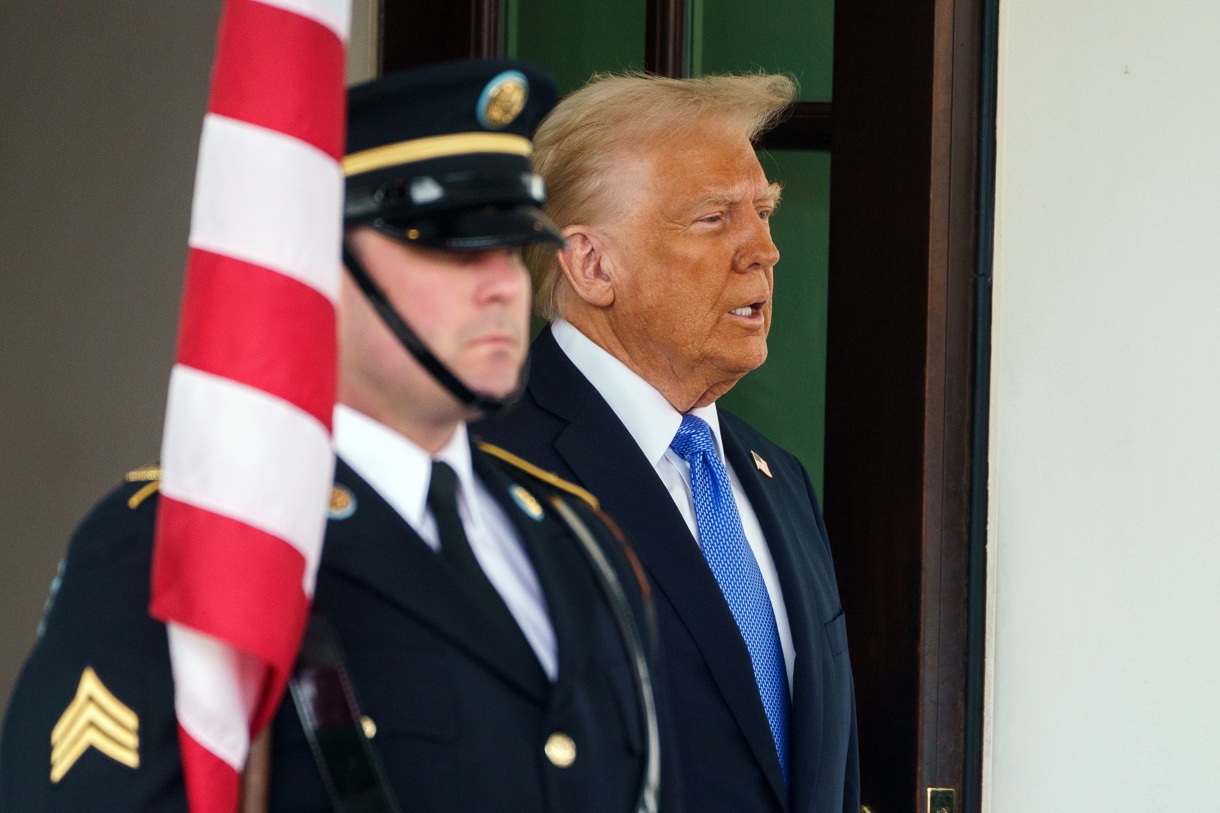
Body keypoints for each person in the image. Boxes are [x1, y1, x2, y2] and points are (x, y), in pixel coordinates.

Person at [0, 60, 673, 813]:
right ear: (312, 265)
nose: (503, 283)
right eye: (452, 246)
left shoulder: (581, 539)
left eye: (513, 244)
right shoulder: (193, 537)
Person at [475, 72, 860, 813]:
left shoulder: (779, 479)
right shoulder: (486, 471)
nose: (765, 251)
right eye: (714, 219)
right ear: (591, 264)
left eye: (765, 211)